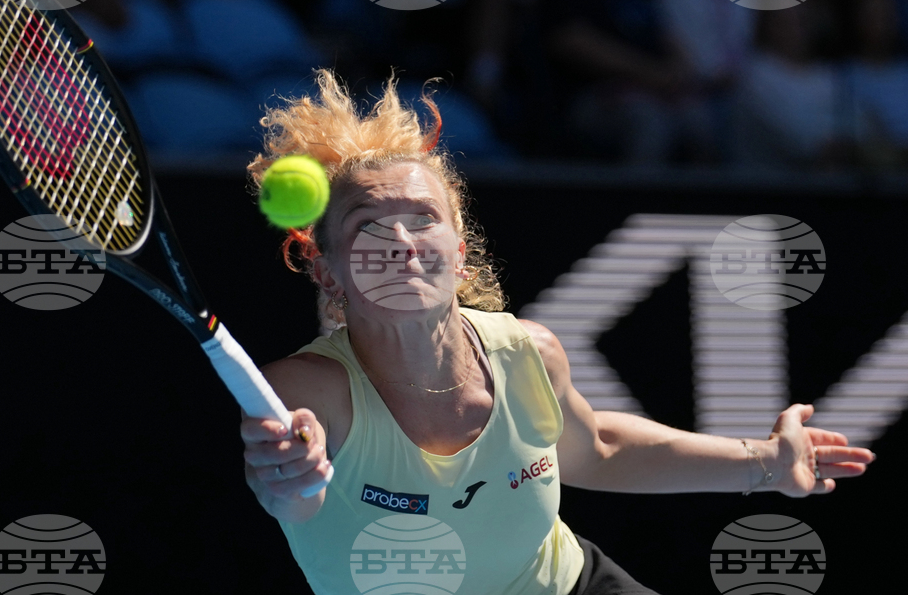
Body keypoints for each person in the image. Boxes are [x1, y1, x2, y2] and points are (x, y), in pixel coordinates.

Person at [240, 69, 876, 595]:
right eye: (368, 225)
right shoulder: (306, 390)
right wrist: (289, 478)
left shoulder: (527, 352)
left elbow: (596, 447)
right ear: (327, 272)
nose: (402, 242)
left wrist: (766, 463)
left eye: (423, 218)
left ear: (459, 255)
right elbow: (292, 497)